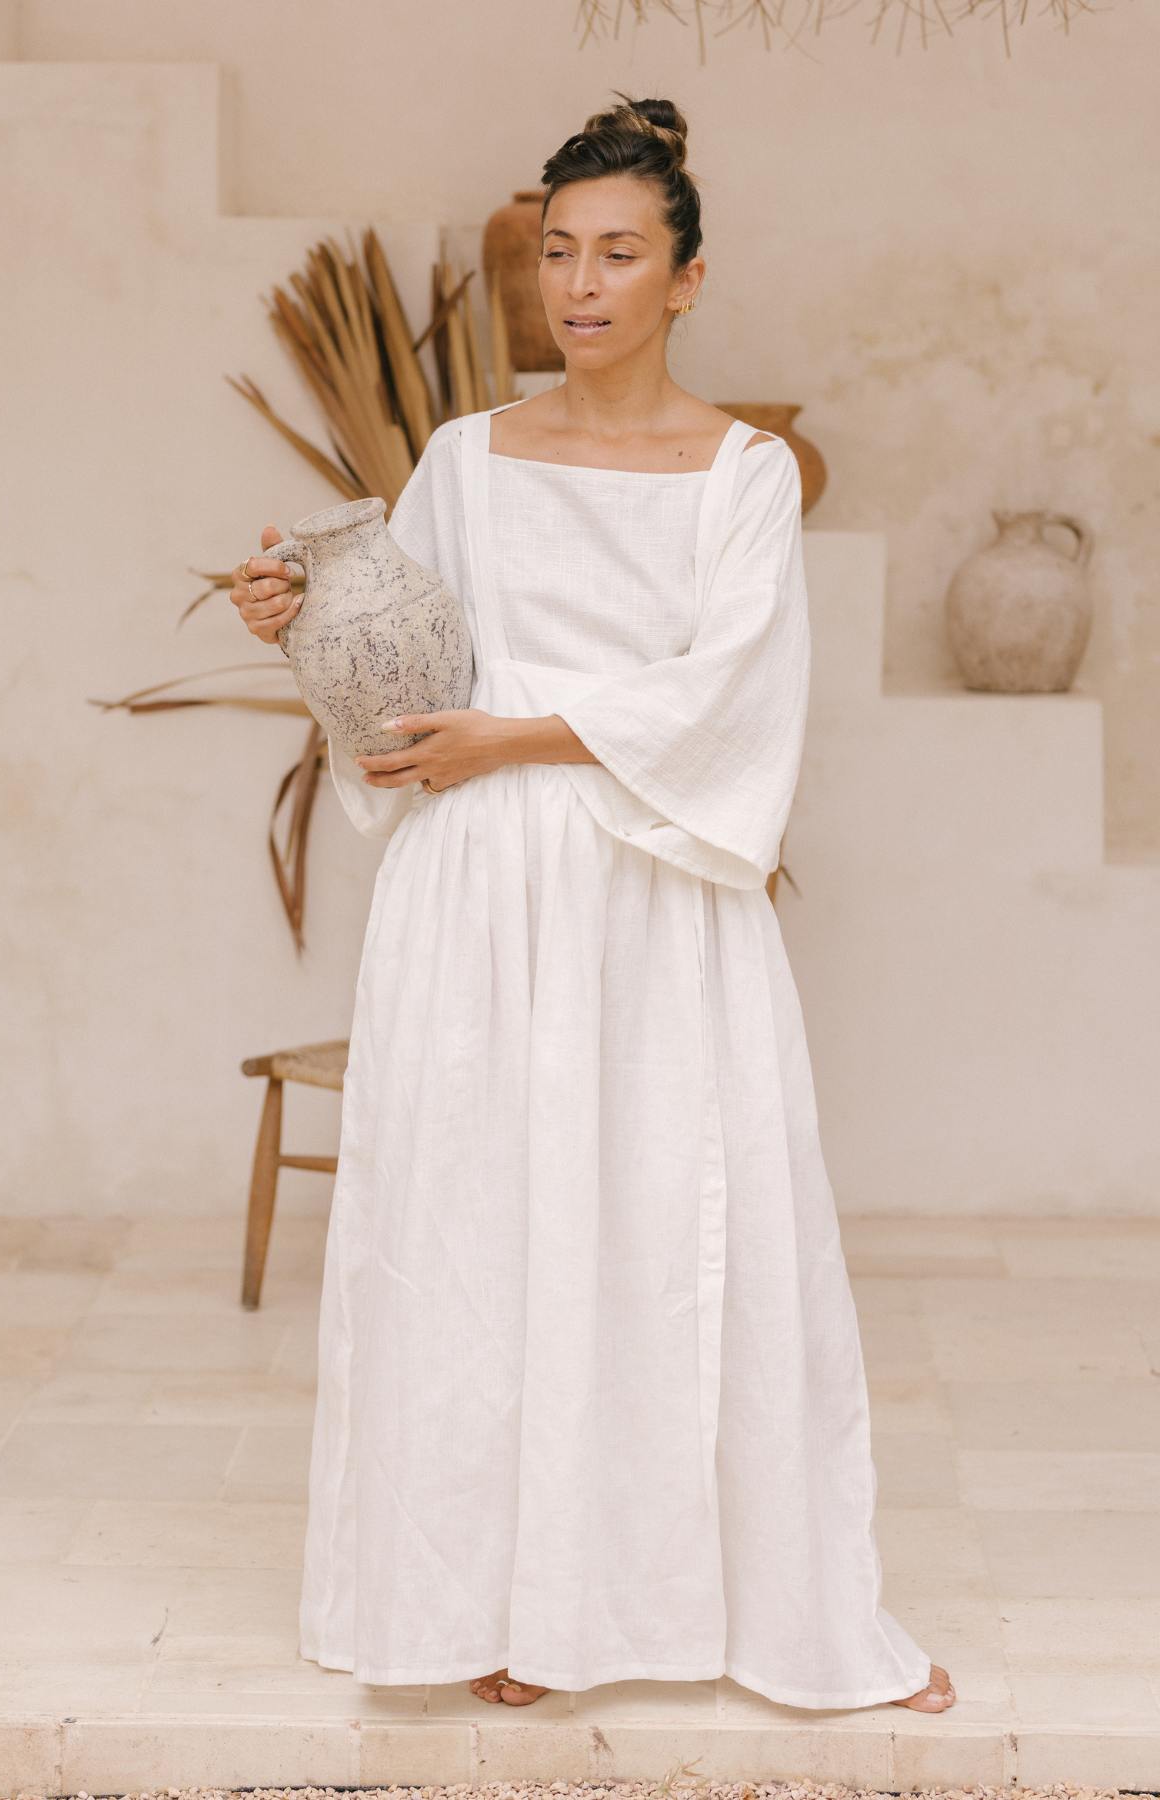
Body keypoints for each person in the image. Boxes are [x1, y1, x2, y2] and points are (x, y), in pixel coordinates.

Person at [230, 95, 956, 1717]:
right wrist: (300, 611)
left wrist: (526, 736)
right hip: (474, 894)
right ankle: (493, 1605)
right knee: (477, 1237)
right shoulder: (466, 463)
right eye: (557, 252)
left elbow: (736, 695)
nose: (582, 282)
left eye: (620, 253)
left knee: (680, 1231)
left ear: (688, 279)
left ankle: (746, 1602)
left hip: (656, 892)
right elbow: (400, 679)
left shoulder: (743, 474)